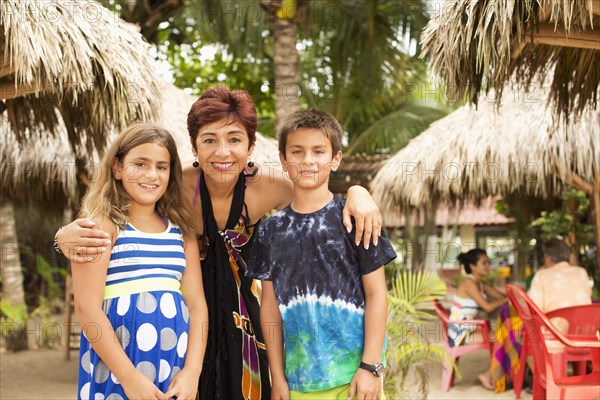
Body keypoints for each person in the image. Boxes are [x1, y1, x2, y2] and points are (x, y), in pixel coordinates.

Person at [56, 86, 383, 400]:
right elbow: (117, 217)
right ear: (195, 147)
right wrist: (60, 238)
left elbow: (316, 199)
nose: (222, 152)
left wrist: (358, 193)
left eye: (235, 139)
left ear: (251, 145)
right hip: (185, 329)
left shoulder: (266, 189)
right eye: (209, 140)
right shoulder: (172, 183)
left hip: (246, 326)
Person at [246, 109, 397, 400]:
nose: (308, 161)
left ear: (335, 159)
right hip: (298, 380)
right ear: (283, 159)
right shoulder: (270, 231)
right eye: (297, 152)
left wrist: (370, 366)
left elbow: (377, 294)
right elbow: (270, 310)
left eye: (318, 151)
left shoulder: (356, 218)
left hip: (354, 376)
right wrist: (277, 377)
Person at [71, 124, 208, 400]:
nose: (151, 174)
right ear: (117, 168)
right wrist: (130, 379)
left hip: (172, 370)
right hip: (115, 369)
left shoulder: (182, 233)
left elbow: (197, 306)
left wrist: (192, 372)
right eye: (140, 164)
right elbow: (87, 309)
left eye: (162, 166)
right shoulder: (102, 227)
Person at [448, 248, 507, 390]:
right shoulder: (468, 283)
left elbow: (500, 296)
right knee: (503, 337)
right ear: (473, 266)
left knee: (505, 334)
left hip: (470, 329)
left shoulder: (480, 284)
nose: (488, 266)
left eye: (488, 262)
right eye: (484, 263)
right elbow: (487, 306)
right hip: (460, 334)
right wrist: (503, 300)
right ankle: (489, 375)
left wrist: (503, 298)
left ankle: (497, 375)